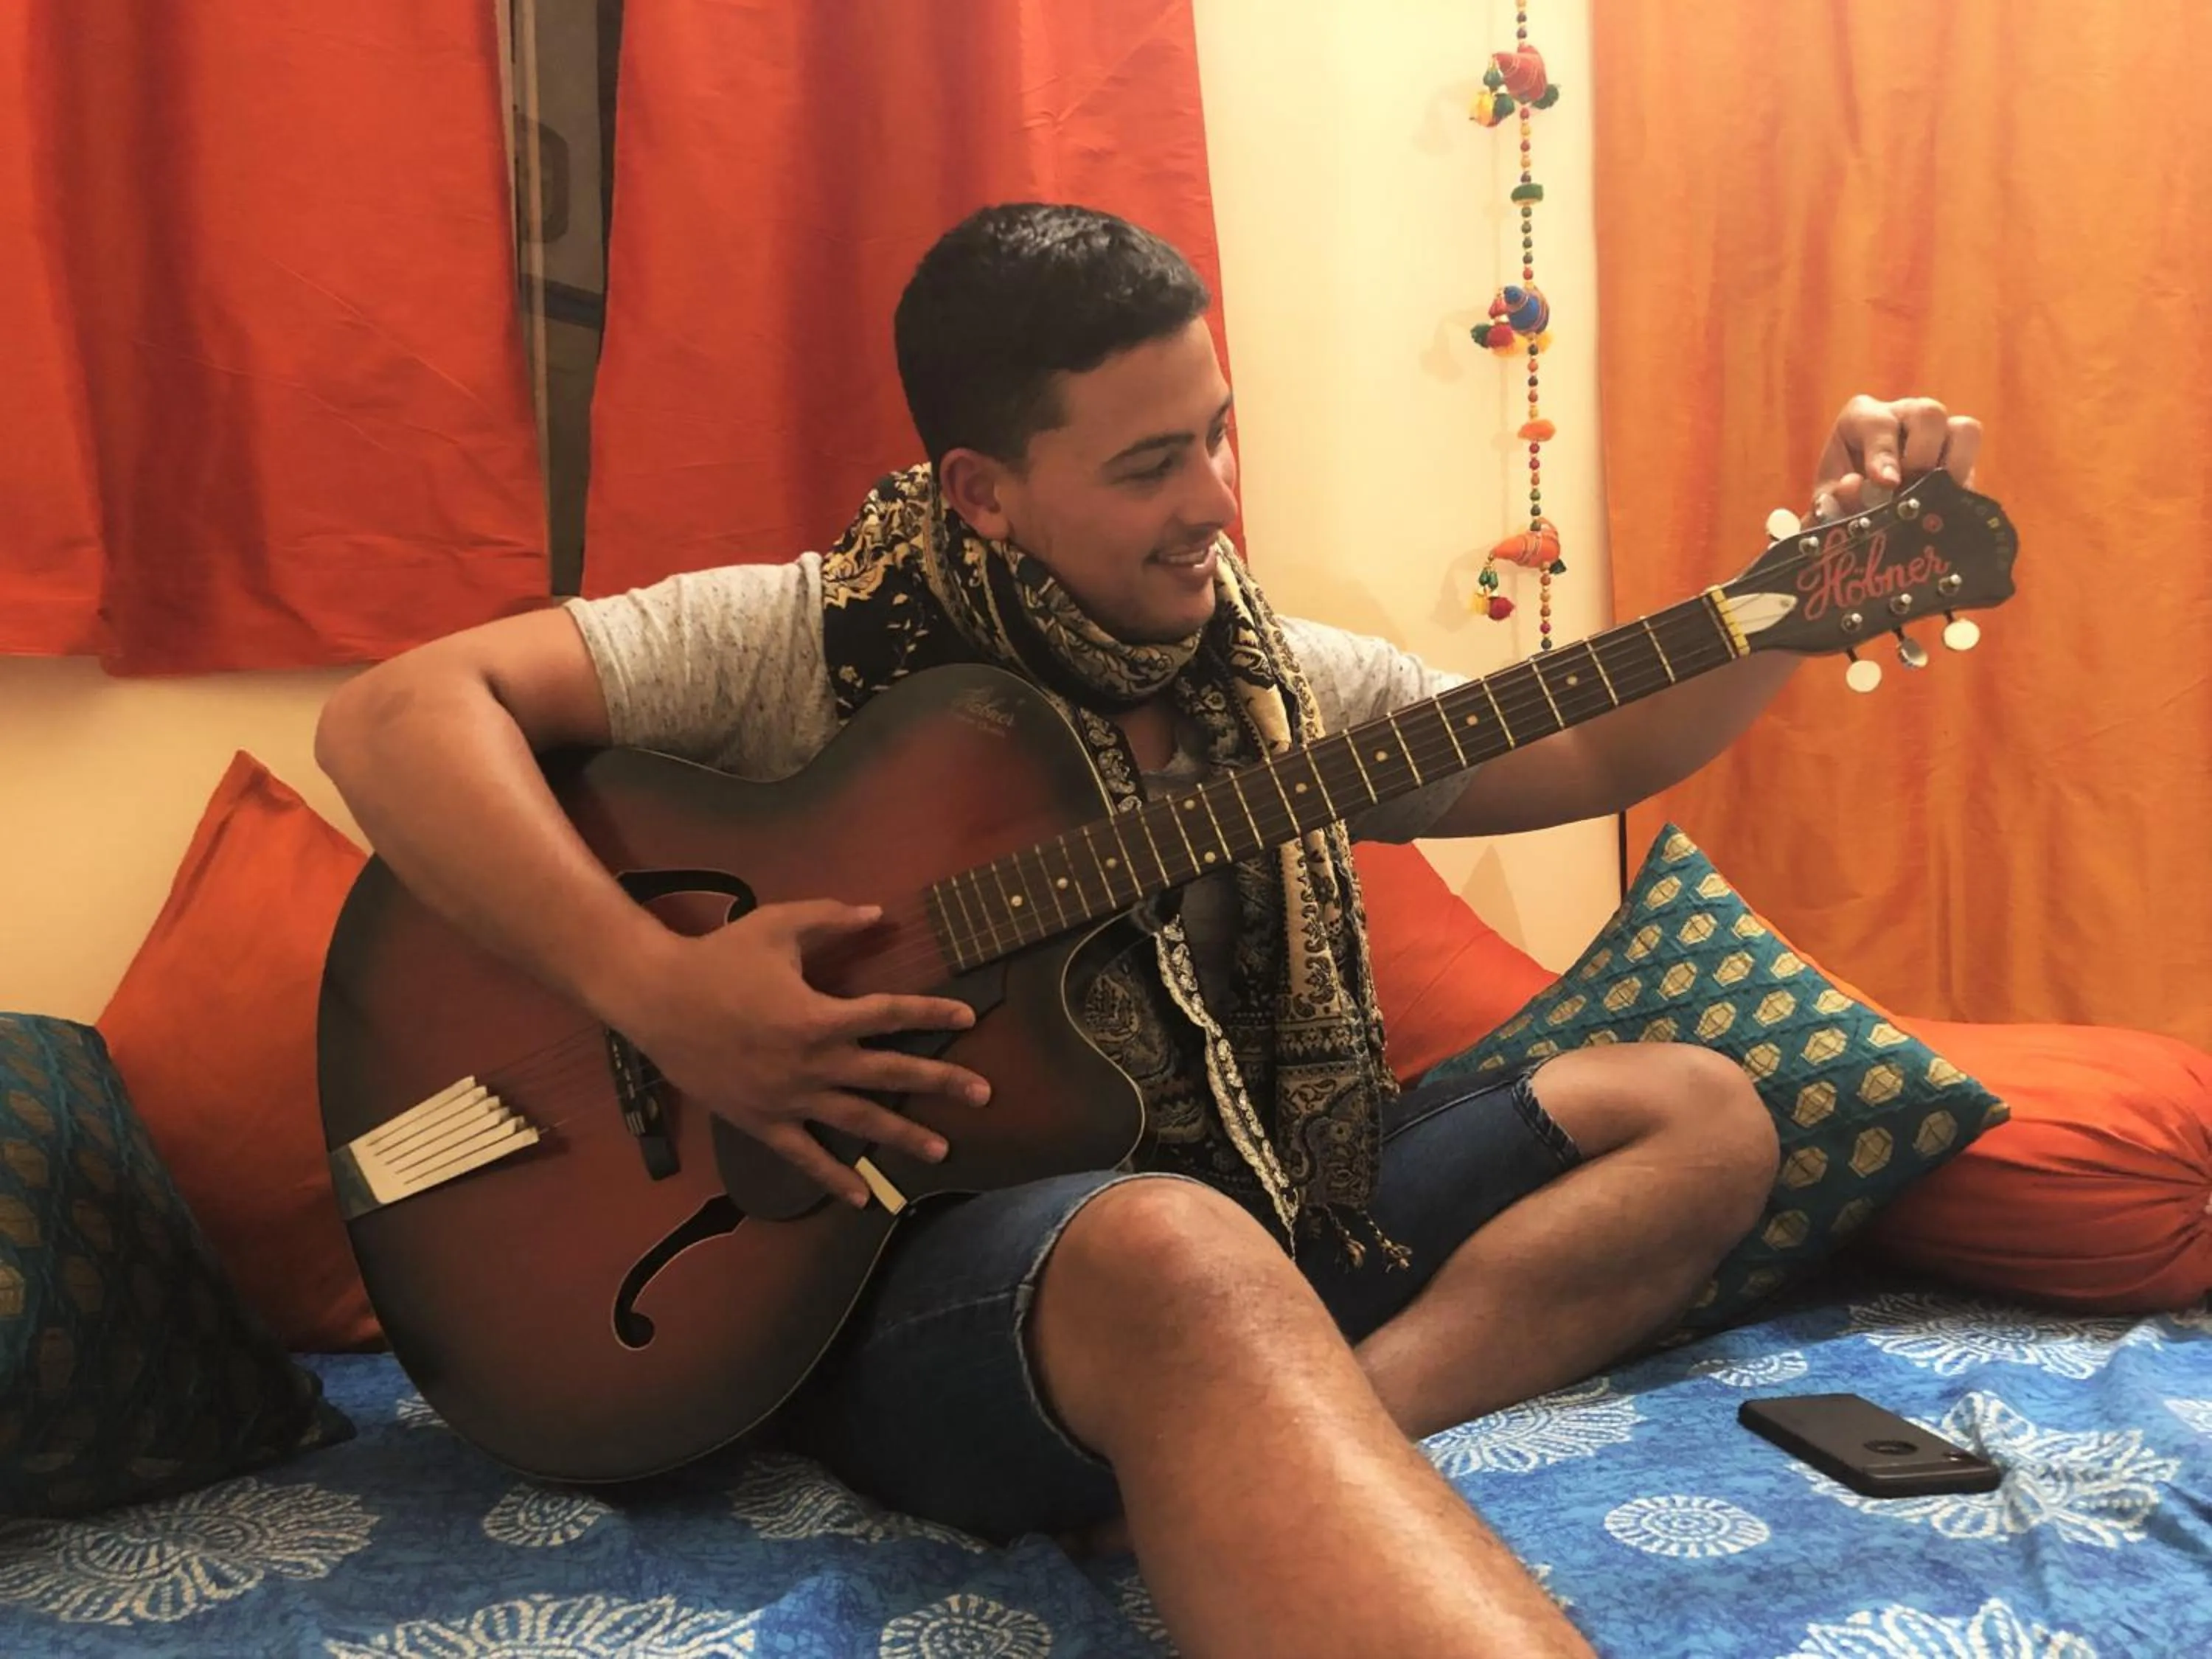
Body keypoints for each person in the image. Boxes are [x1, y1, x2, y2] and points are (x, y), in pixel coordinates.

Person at [316, 203, 1984, 1659]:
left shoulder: (1273, 685)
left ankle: (1338, 1414)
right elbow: (394, 721)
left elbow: (1577, 747)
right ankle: (1247, 1385)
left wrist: (1787, 606)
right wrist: (658, 993)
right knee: (1170, 1250)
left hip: (1267, 1191)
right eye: (1146, 465)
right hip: (891, 1292)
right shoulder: (798, 639)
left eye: (1217, 431)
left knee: (1700, 1107)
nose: (1214, 500)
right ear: (984, 488)